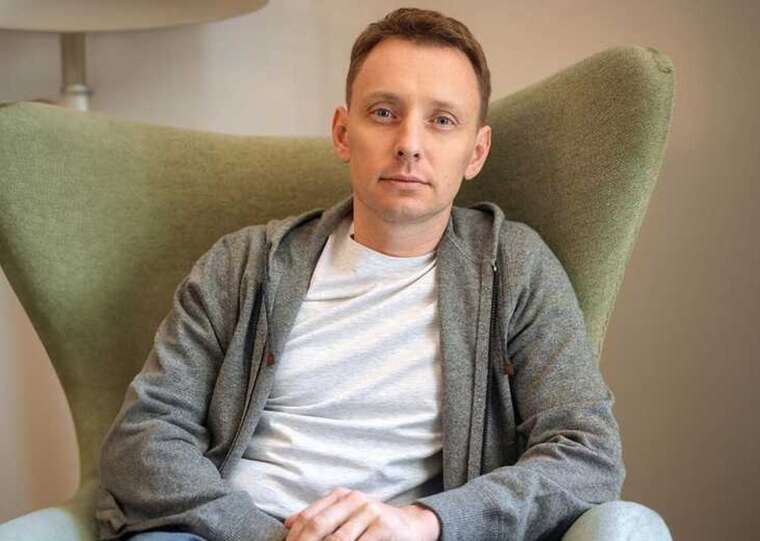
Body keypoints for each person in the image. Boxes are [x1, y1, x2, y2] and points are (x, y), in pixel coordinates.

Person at [95, 8, 629, 541]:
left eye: (442, 120)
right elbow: (144, 437)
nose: (409, 144)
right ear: (343, 133)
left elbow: (587, 454)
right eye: (383, 112)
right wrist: (268, 537)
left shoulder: (513, 269)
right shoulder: (243, 265)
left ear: (476, 151)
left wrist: (427, 522)